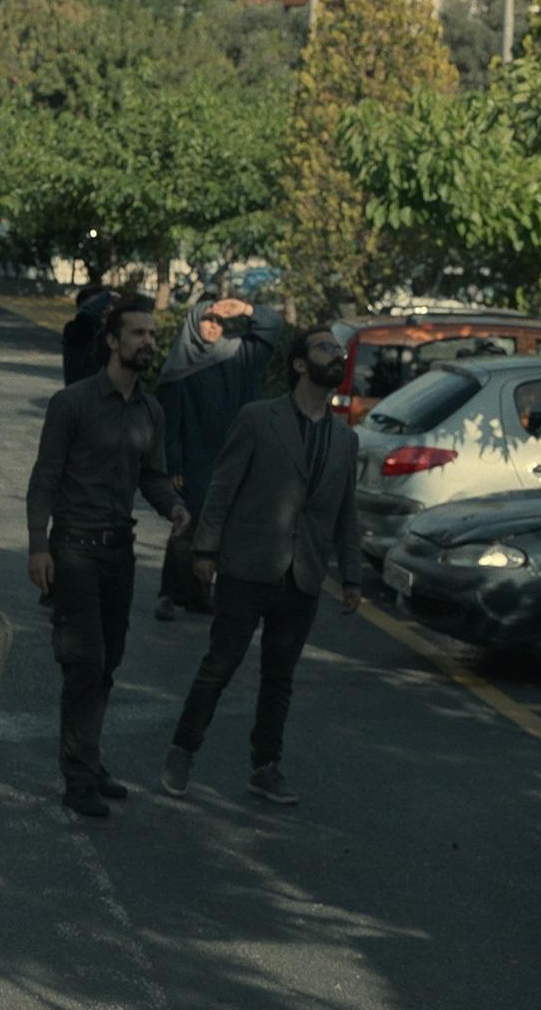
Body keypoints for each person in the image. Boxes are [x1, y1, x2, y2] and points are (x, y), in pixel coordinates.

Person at [161, 328, 362, 805]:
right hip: (248, 566)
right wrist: (205, 550)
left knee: (279, 677)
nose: (337, 354)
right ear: (300, 364)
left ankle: (265, 766)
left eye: (338, 349)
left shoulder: (345, 438)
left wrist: (352, 576)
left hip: (304, 574)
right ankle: (183, 749)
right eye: (325, 347)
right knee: (220, 664)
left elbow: (346, 512)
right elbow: (223, 486)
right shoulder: (258, 418)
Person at [26, 299, 189, 818]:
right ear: (113, 341)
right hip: (74, 549)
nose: (148, 342)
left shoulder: (150, 410)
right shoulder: (72, 403)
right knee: (84, 664)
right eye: (138, 333)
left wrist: (175, 508)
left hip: (120, 552)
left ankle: (90, 761)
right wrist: (38, 545)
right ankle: (77, 778)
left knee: (108, 666)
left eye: (152, 335)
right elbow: (45, 477)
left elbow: (153, 477)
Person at [153, 296, 285, 621]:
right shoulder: (182, 363)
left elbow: (272, 329)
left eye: (219, 322)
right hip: (194, 460)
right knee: (188, 524)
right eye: (207, 320)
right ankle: (169, 594)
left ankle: (199, 594)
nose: (213, 327)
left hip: (234, 459)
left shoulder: (238, 353)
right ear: (194, 324)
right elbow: (170, 422)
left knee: (222, 528)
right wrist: (174, 464)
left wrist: (247, 309)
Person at [61, 284, 113, 386]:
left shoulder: (112, 334)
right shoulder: (74, 329)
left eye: (108, 304)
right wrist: (106, 296)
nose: (107, 309)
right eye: (101, 304)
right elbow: (85, 317)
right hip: (82, 393)